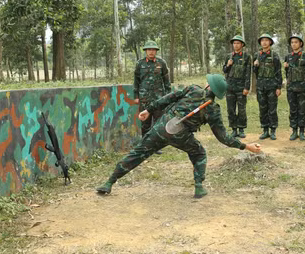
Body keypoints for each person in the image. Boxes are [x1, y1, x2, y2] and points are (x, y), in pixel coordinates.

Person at [96, 74, 262, 198]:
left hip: (162, 127)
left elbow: (169, 98)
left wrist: (149, 110)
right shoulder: (213, 110)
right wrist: (246, 146)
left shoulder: (193, 89)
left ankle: (109, 182)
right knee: (199, 153)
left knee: (138, 153)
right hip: (181, 135)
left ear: (208, 86)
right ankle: (199, 187)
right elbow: (223, 137)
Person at [133, 41, 171, 154]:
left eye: (153, 50)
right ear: (145, 51)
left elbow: (166, 81)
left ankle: (156, 147)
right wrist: (136, 96)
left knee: (158, 123)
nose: (151, 52)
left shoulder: (161, 63)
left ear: (156, 51)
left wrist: (168, 97)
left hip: (159, 99)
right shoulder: (139, 64)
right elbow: (136, 81)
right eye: (149, 49)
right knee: (145, 123)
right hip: (144, 99)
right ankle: (145, 147)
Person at [284, 34, 305, 141]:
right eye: (292, 42)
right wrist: (285, 68)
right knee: (292, 110)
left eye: (296, 42)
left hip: (302, 89)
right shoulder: (288, 57)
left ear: (300, 44)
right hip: (291, 89)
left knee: (302, 110)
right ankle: (294, 130)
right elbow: (288, 73)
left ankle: (301, 131)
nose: (294, 44)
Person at [254, 34, 282, 140]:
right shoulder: (257, 55)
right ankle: (265, 130)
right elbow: (255, 72)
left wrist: (278, 87)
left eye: (266, 40)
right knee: (262, 109)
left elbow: (278, 72)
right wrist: (255, 65)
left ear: (270, 42)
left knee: (272, 109)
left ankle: (273, 130)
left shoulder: (274, 55)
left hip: (272, 87)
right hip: (261, 87)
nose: (264, 42)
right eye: (262, 40)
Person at [223, 35, 252, 138]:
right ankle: (234, 129)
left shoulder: (246, 57)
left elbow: (248, 73)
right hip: (230, 87)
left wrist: (246, 87)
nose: (236, 45)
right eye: (234, 43)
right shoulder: (229, 56)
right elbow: (224, 70)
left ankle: (241, 129)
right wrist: (228, 65)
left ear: (242, 45)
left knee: (241, 109)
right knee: (230, 109)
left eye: (238, 43)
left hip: (241, 88)